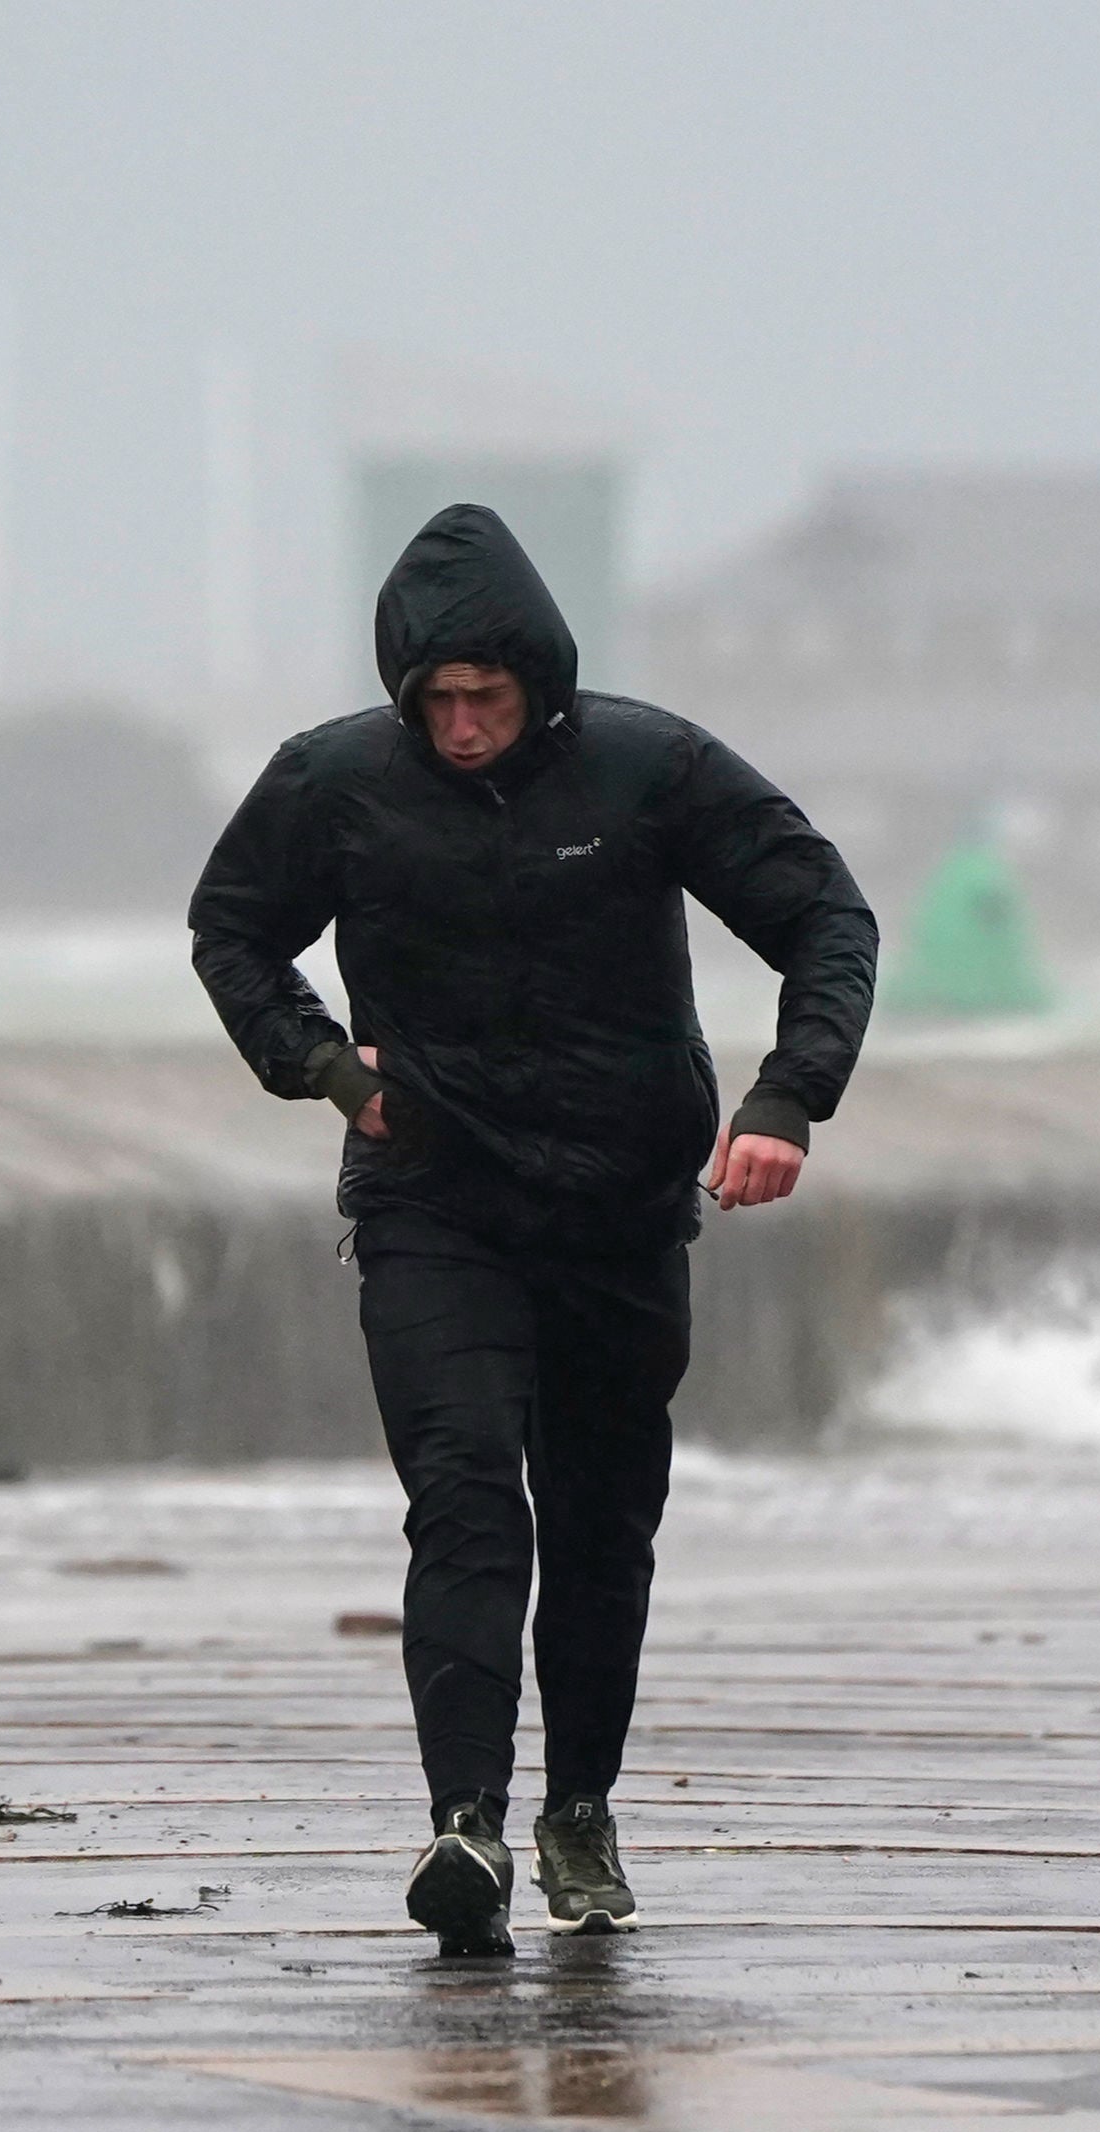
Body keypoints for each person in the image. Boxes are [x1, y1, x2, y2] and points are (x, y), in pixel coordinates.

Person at [190, 504, 876, 1957]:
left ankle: (577, 1810)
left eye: (483, 698)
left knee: (601, 1520)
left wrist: (786, 1097)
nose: (458, 727)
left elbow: (825, 916)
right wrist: (325, 1070)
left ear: (538, 680)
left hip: (621, 1209)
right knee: (462, 1492)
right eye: (432, 700)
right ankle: (466, 1822)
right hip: (433, 1195)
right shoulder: (337, 782)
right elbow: (233, 928)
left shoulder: (648, 766)